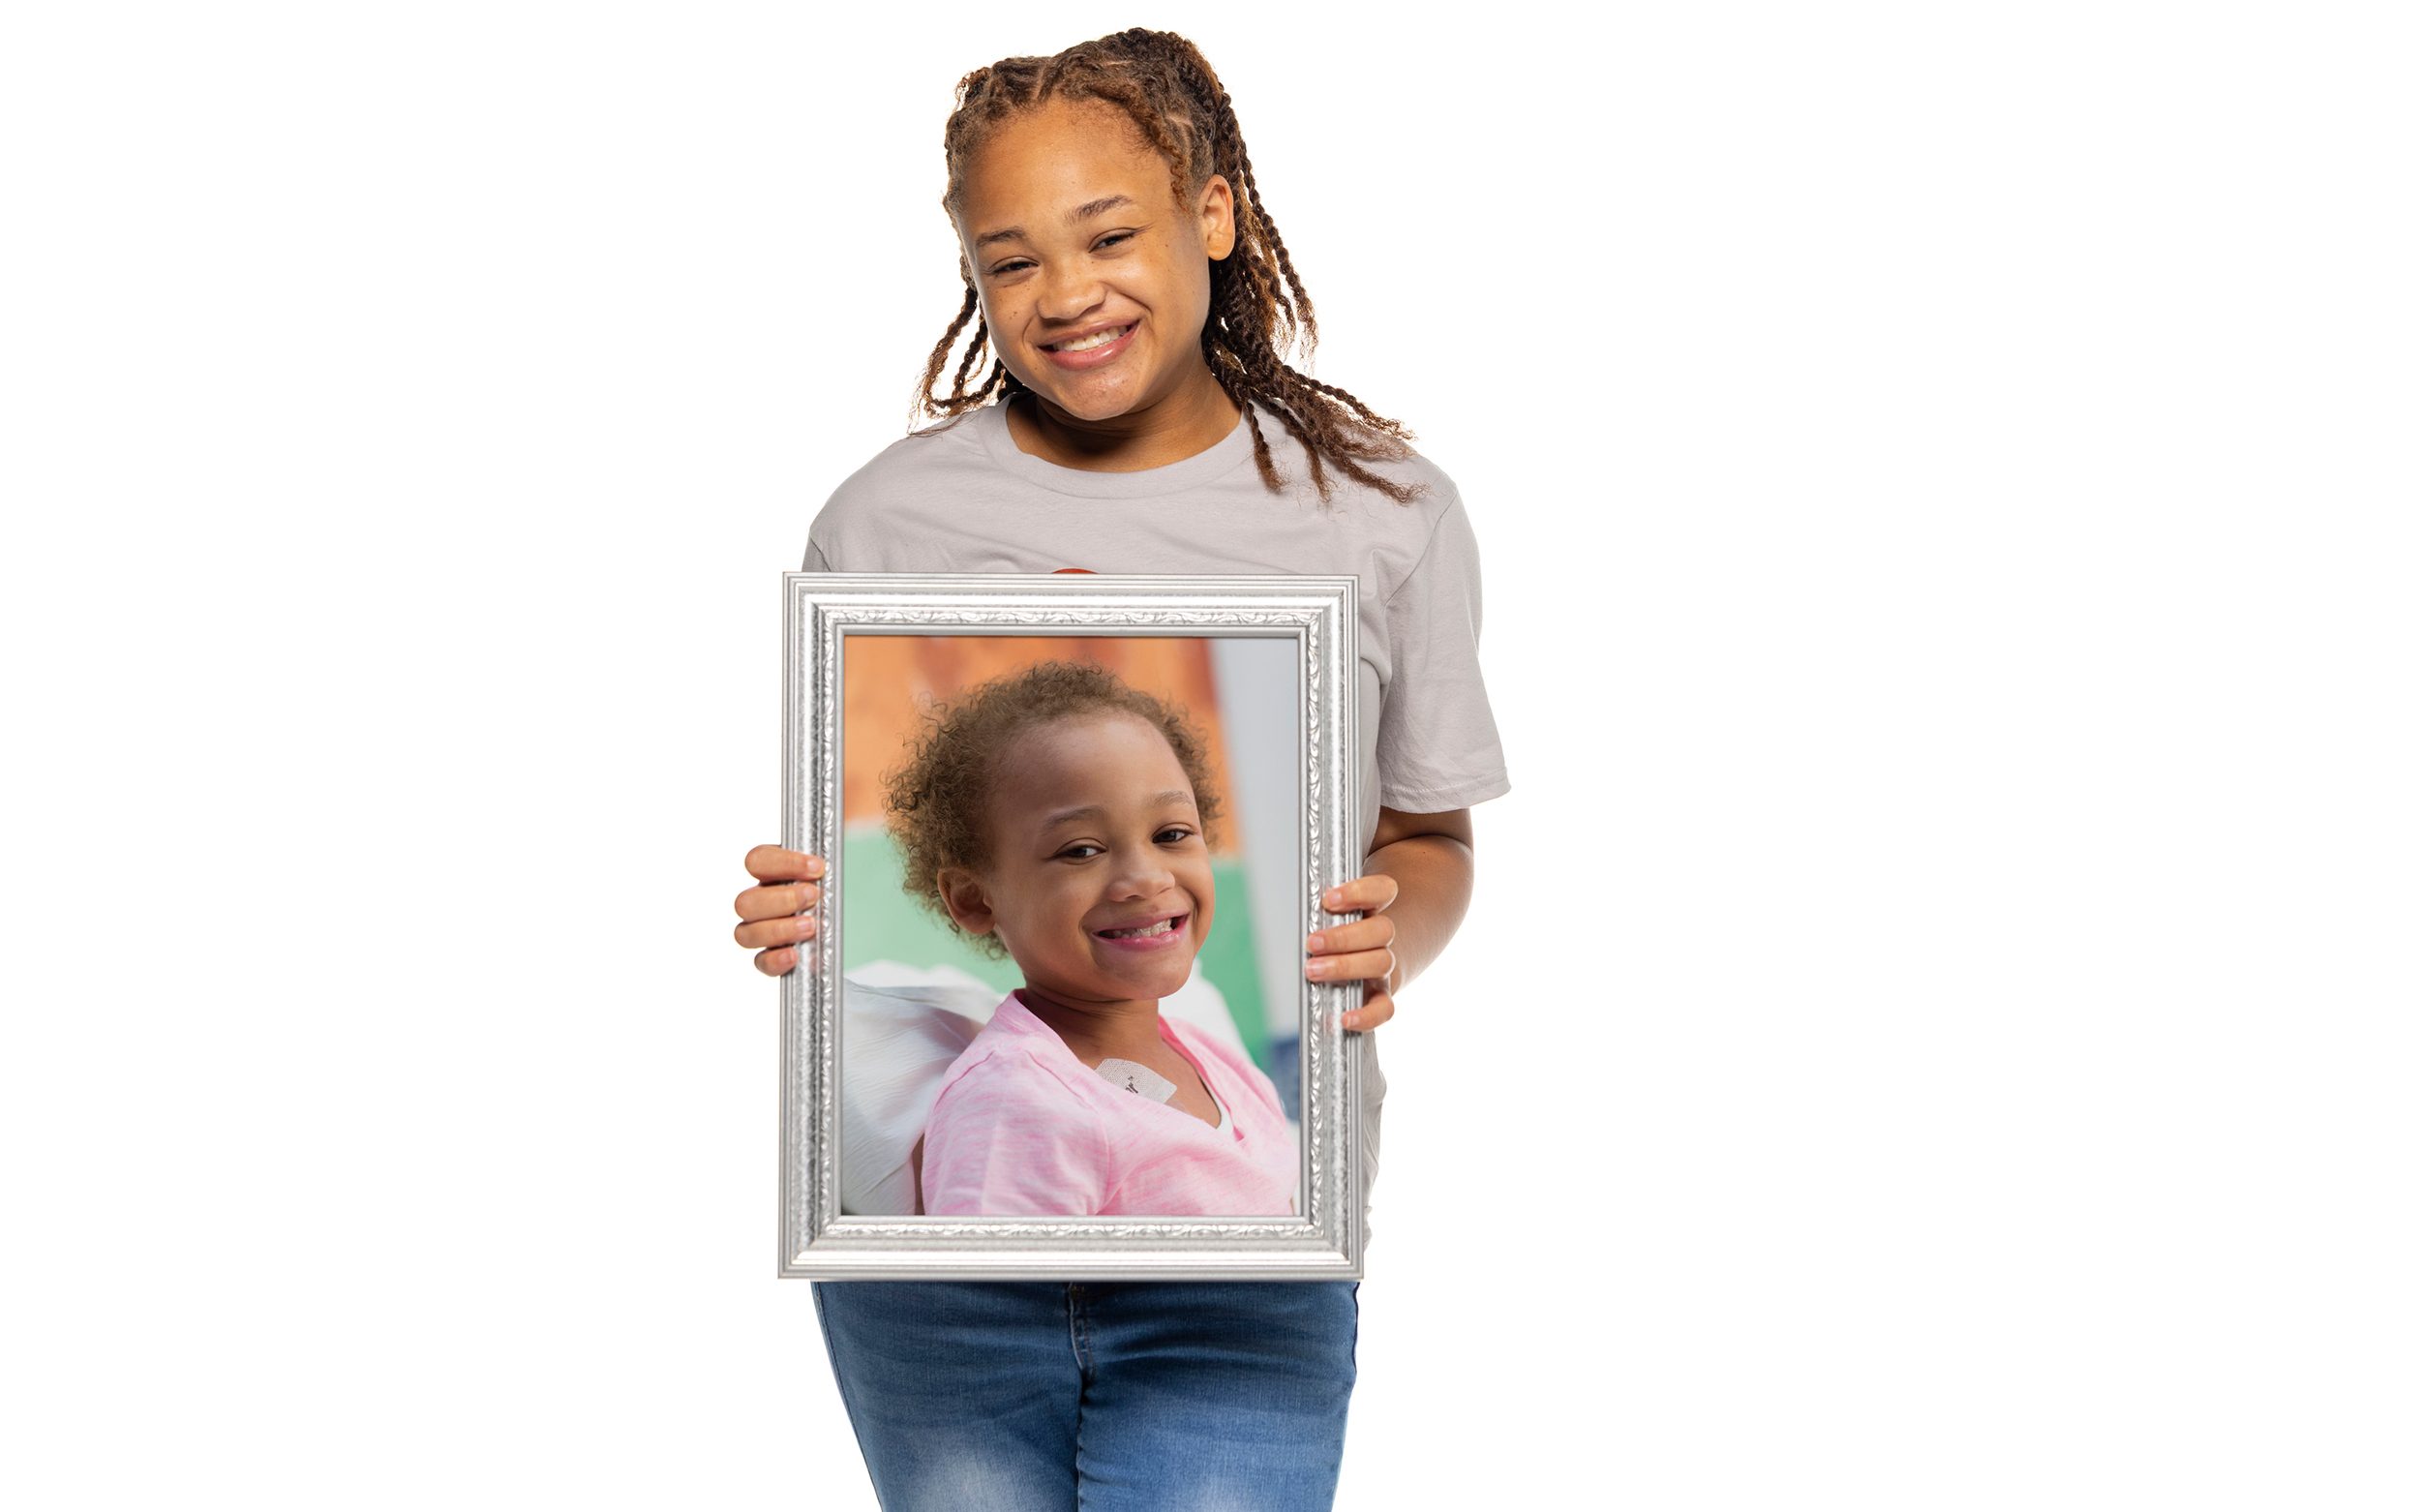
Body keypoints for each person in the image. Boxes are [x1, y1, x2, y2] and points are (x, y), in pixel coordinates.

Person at [730, 28, 1508, 1510]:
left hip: (1250, 1276)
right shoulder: (885, 523)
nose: (1066, 292)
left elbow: (1432, 832)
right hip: (942, 1297)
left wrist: (1384, 934)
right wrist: (804, 913)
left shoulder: (1381, 514)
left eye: (1108, 235)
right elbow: (873, 837)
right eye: (1010, 260)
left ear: (1212, 215)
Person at [882, 659, 1298, 1218]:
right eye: (1081, 850)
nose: (1148, 878)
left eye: (1171, 834)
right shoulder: (1015, 1102)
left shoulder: (1218, 1062)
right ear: (974, 899)